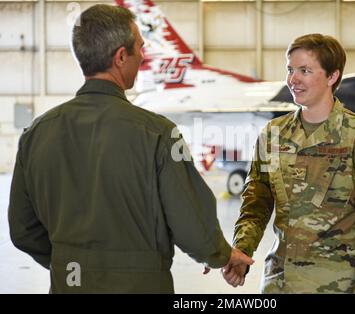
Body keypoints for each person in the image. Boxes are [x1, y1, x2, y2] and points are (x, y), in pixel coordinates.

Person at [8, 4, 252, 294]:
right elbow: (194, 226)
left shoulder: (36, 134)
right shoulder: (158, 133)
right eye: (140, 48)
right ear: (121, 57)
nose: (144, 56)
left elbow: (23, 229)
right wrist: (223, 255)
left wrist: (72, 261)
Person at [222, 34, 355, 293]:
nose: (293, 79)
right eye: (290, 70)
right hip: (278, 283)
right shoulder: (273, 134)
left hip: (337, 285)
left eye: (304, 70)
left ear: (332, 76)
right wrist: (241, 251)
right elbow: (256, 203)